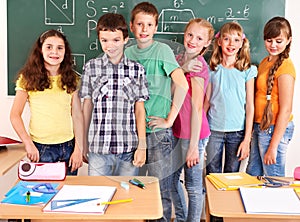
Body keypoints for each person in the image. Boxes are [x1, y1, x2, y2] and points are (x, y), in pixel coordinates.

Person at [124, 2, 189, 222]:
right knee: (136, 188)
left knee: (160, 189)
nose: (144, 29)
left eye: (149, 24)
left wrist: (170, 119)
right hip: (132, 132)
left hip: (158, 133)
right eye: (140, 24)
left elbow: (182, 84)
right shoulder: (126, 52)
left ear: (155, 27)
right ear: (132, 26)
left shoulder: (162, 50)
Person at [79, 13, 149, 176]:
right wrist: (82, 142)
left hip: (128, 149)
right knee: (98, 197)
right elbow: (87, 106)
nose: (110, 45)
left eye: (116, 40)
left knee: (126, 198)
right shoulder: (91, 67)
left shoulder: (136, 70)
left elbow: (139, 110)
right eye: (104, 40)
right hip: (98, 149)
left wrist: (142, 146)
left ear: (125, 39)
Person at [10, 29, 83, 175]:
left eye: (59, 48)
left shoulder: (73, 79)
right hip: (41, 148)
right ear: (40, 50)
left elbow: (77, 116)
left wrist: (79, 149)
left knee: (66, 193)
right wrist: (28, 144)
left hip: (68, 146)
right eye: (49, 47)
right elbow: (14, 115)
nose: (54, 52)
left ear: (65, 52)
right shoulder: (27, 79)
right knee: (44, 193)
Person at [171, 18, 214, 222]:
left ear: (207, 43)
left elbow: (197, 107)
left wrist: (194, 147)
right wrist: (182, 69)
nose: (192, 40)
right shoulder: (179, 59)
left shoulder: (198, 66)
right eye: (190, 35)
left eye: (199, 38)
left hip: (193, 135)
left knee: (193, 187)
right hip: (177, 131)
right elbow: (170, 93)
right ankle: (181, 218)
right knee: (171, 182)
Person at [205, 22, 257, 175]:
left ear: (242, 43)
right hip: (214, 130)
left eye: (236, 40)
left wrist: (247, 139)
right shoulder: (211, 70)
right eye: (226, 39)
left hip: (237, 132)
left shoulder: (248, 70)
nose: (231, 44)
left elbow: (250, 106)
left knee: (232, 176)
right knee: (212, 175)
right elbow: (206, 102)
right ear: (219, 42)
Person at [246, 17, 295, 177]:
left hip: (274, 129)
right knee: (253, 176)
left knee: (273, 179)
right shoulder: (265, 61)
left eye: (279, 41)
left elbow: (286, 109)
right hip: (260, 126)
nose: (273, 45)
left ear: (288, 40)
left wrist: (273, 146)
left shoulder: (286, 67)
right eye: (269, 40)